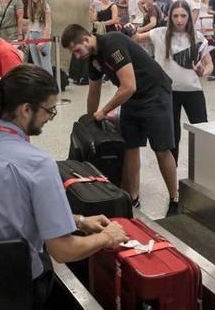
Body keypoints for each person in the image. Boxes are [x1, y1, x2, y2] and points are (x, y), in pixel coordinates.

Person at [0, 65, 128, 307]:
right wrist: (106, 238)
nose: (49, 118)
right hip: (18, 287)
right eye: (49, 111)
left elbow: (7, 213)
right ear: (26, 110)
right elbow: (62, 250)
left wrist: (77, 221)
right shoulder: (38, 163)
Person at [61, 24, 180, 215]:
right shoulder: (92, 59)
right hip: (131, 99)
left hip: (154, 93)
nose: (77, 56)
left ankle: (175, 198)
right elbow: (94, 91)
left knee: (161, 148)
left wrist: (104, 111)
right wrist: (90, 121)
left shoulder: (113, 44)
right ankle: (133, 197)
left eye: (76, 50)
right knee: (131, 147)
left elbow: (129, 85)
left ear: (86, 39)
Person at [130, 1, 212, 162]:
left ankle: (204, 169)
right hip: (168, 93)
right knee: (172, 137)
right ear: (170, 17)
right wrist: (130, 31)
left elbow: (210, 64)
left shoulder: (198, 37)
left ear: (189, 17)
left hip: (193, 91)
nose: (179, 20)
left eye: (183, 16)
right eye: (175, 16)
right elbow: (136, 38)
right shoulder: (159, 33)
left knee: (202, 131)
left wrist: (204, 71)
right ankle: (172, 176)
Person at [24, 0, 52, 71]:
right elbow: (30, 23)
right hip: (32, 35)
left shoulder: (45, 7)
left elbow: (48, 25)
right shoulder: (30, 6)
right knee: (36, 65)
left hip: (42, 35)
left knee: (45, 64)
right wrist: (26, 37)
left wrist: (43, 41)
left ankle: (49, 84)